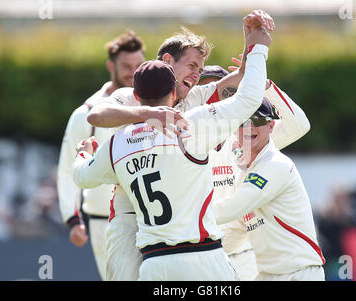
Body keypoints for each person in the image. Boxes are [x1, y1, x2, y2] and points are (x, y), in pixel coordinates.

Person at [79, 9, 275, 281]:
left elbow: (241, 79)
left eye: (201, 69)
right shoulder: (130, 96)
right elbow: (95, 115)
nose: (197, 75)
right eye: (193, 66)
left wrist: (249, 38)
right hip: (129, 216)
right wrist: (148, 114)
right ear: (168, 60)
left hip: (171, 230)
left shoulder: (196, 97)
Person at [198, 65, 311, 280]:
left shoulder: (248, 135)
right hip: (204, 256)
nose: (212, 99)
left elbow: (298, 125)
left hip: (244, 256)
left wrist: (265, 86)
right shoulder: (188, 141)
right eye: (205, 91)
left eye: (221, 91)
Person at [56, 31, 145, 280]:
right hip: (103, 220)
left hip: (147, 217)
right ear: (111, 66)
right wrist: (73, 219)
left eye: (138, 66)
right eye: (126, 66)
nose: (132, 72)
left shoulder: (154, 106)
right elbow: (67, 168)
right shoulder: (86, 113)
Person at [214, 99, 325, 281]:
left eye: (257, 120)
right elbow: (235, 231)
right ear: (235, 129)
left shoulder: (275, 164)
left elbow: (234, 207)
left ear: (271, 126)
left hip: (299, 273)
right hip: (268, 275)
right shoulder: (246, 173)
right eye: (243, 122)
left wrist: (190, 217)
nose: (249, 127)